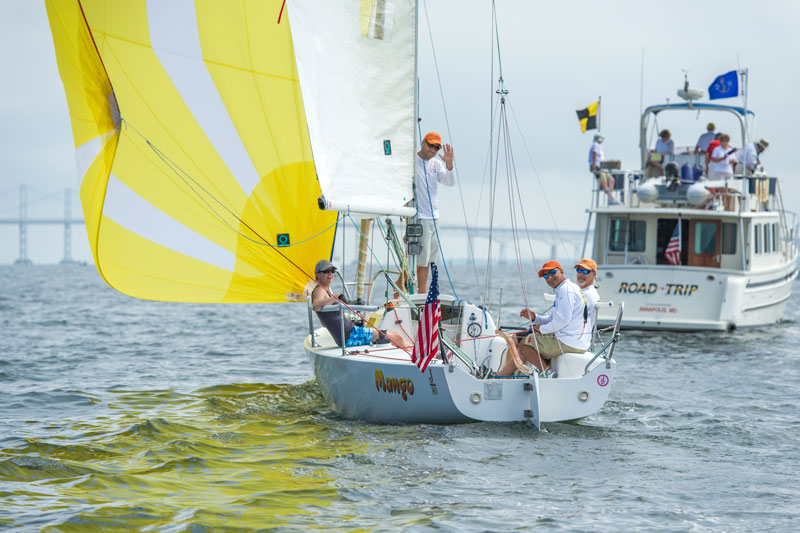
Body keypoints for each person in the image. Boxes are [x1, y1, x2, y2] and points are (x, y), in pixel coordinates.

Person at [495, 260, 590, 376]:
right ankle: (504, 375)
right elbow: (553, 319)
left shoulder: (566, 290)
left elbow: (563, 321)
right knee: (524, 339)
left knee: (525, 344)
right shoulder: (565, 289)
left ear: (561, 271)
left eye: (552, 273)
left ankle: (547, 373)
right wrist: (535, 318)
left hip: (569, 341)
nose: (549, 277)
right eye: (545, 276)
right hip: (576, 340)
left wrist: (541, 329)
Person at [311, 260, 406, 349]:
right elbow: (315, 306)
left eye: (332, 271)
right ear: (317, 274)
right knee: (397, 338)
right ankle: (415, 358)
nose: (330, 274)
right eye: (326, 271)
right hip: (350, 336)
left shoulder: (325, 291)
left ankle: (413, 356)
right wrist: (337, 296)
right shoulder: (320, 290)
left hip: (350, 333)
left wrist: (351, 323)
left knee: (395, 336)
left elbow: (324, 323)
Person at [414, 131, 455, 292]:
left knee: (430, 261)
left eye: (436, 148)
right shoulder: (412, 161)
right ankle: (418, 294)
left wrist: (449, 165)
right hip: (419, 218)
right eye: (430, 145)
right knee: (420, 261)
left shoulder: (436, 164)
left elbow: (450, 182)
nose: (433, 150)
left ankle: (418, 294)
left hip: (434, 218)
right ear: (423, 143)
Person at [588, 134, 619, 205]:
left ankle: (610, 196)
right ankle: (612, 199)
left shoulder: (599, 146)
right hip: (597, 167)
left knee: (611, 180)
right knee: (605, 184)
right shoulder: (595, 145)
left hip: (602, 167)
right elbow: (594, 154)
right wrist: (594, 166)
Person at [574, 258, 599, 339]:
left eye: (585, 271)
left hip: (574, 338)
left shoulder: (588, 295)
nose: (580, 274)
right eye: (578, 270)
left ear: (594, 274)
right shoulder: (579, 292)